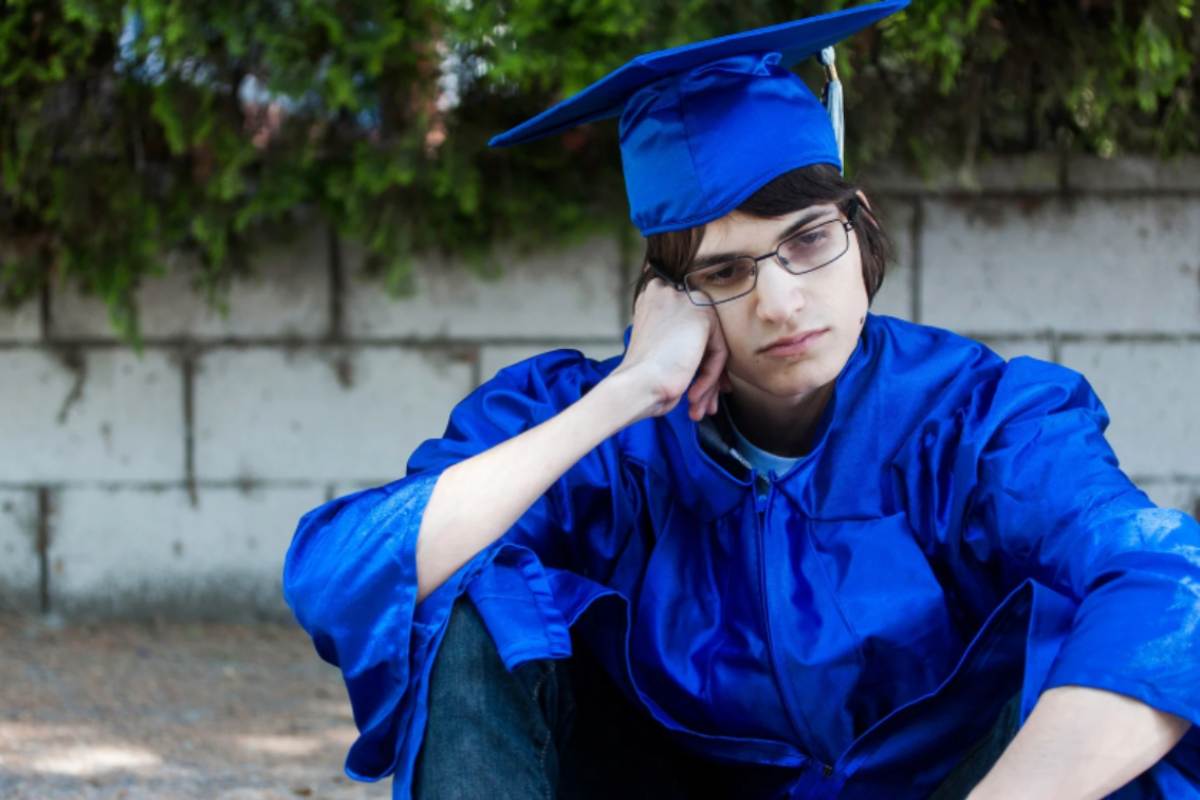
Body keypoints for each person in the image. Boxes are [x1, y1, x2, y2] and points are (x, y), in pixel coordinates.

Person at [282, 1, 1200, 797]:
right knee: (472, 597)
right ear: (666, 299)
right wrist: (627, 393)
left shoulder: (980, 422)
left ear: (862, 226)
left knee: (1101, 613)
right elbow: (342, 574)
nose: (780, 301)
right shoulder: (593, 429)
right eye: (724, 271)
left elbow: (1172, 585)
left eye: (807, 241)